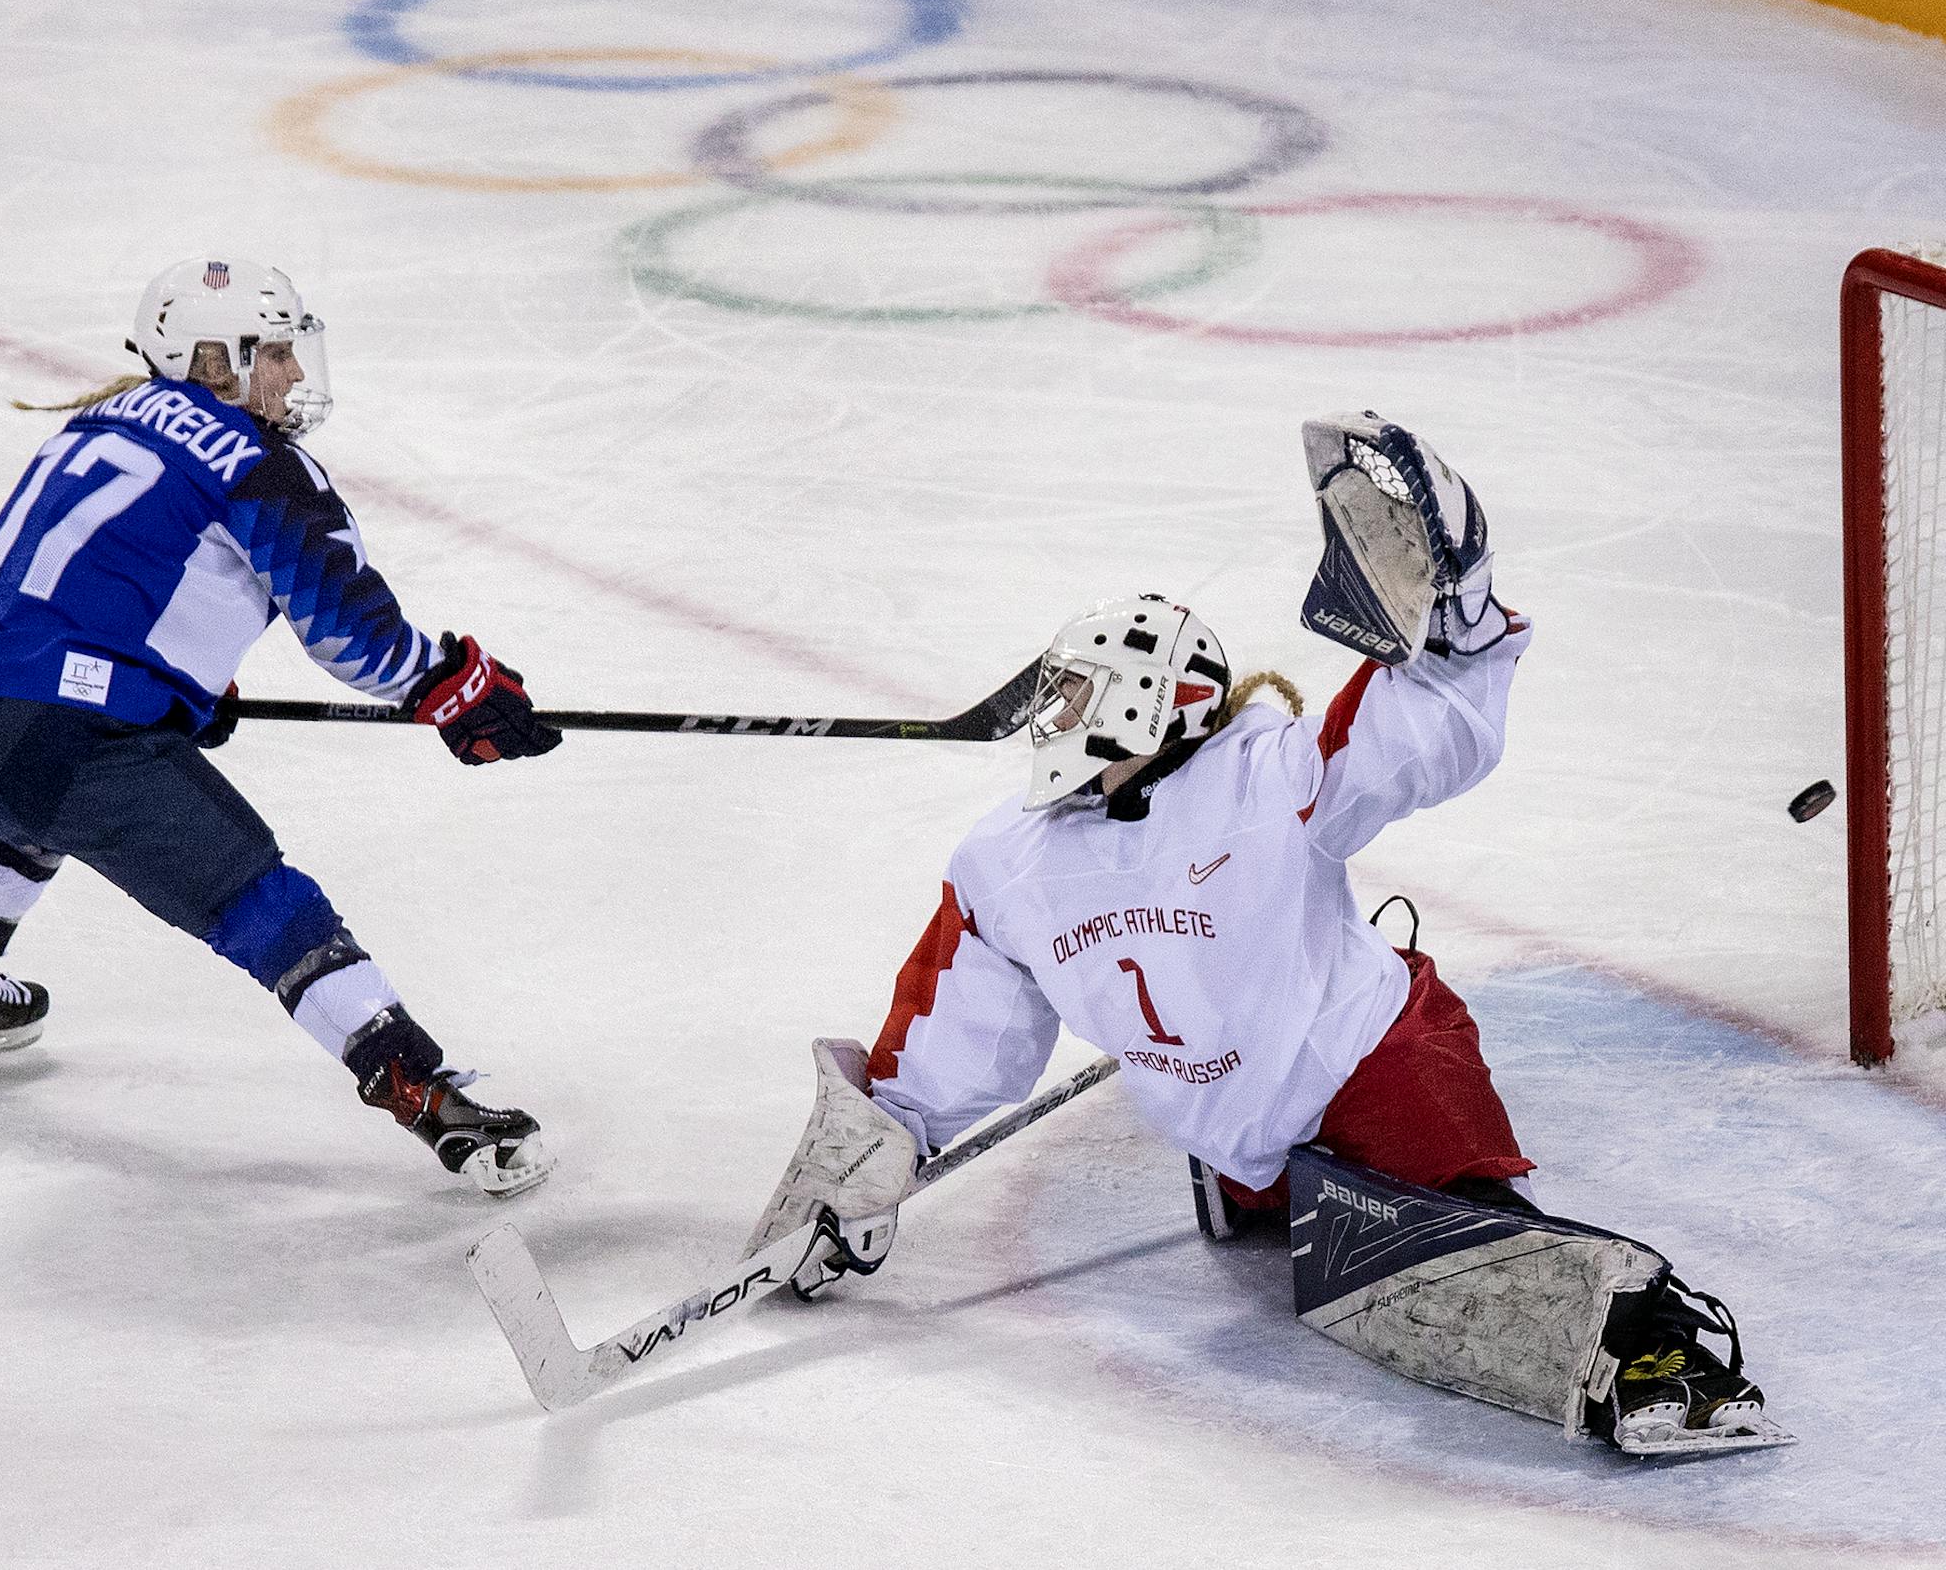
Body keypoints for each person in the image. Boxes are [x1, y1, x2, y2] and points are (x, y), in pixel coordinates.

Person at [746, 413, 1784, 1455]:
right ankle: (1263, 1169)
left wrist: (1456, 618)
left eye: (1074, 695)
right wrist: (864, 1163)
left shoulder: (1269, 776)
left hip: (1378, 1062)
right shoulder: (1008, 862)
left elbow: (1422, 728)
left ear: (1156, 702)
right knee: (1331, 1243)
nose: (1047, 720)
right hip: (1245, 1133)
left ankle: (1655, 1342)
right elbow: (944, 1035)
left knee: (1444, 1258)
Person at [0, 258, 560, 1196]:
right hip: (54, 740)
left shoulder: (101, 419)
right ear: (215, 359)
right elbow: (348, 632)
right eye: (275, 353)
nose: (292, 376)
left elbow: (77, 595)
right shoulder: (254, 460)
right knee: (263, 898)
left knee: (40, 790)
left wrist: (177, 689)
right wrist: (450, 686)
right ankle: (423, 1090)